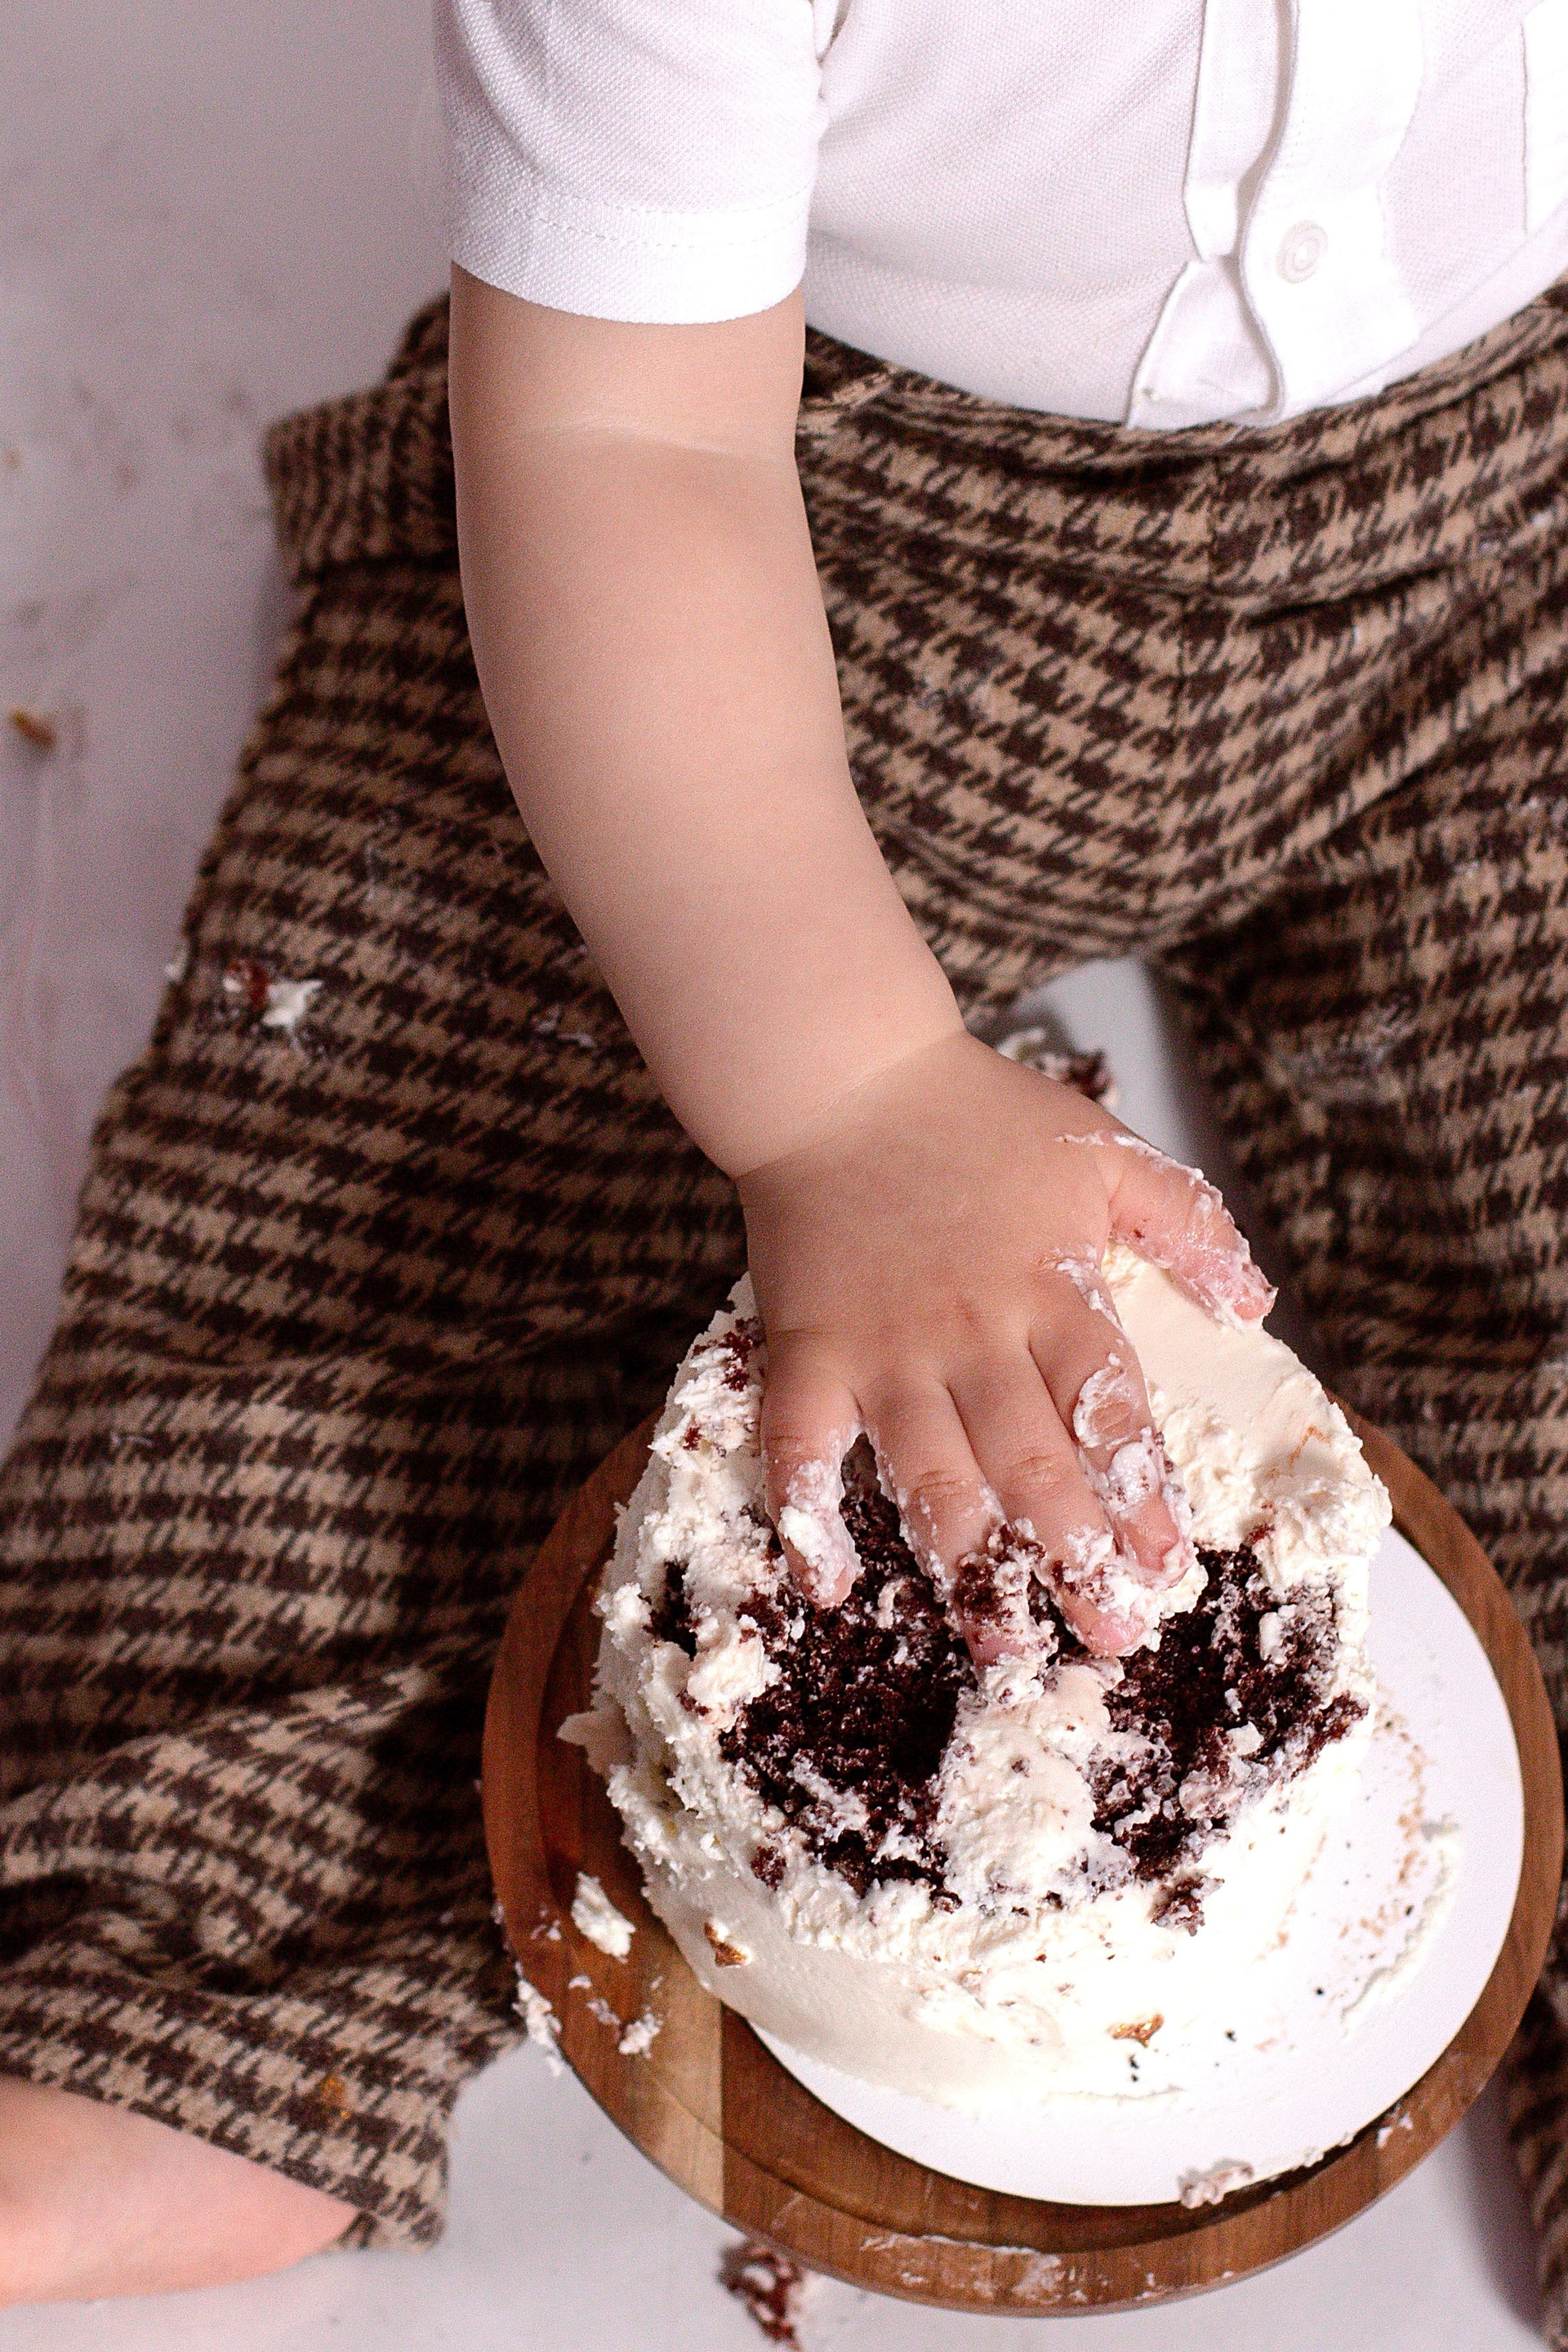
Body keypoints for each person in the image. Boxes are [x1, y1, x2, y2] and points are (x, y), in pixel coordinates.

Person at [4, 0, 1568, 2321]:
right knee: (413, 1134)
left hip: (1505, 517)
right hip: (796, 527)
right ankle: (210, 1969)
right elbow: (622, 437)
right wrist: (841, 1095)